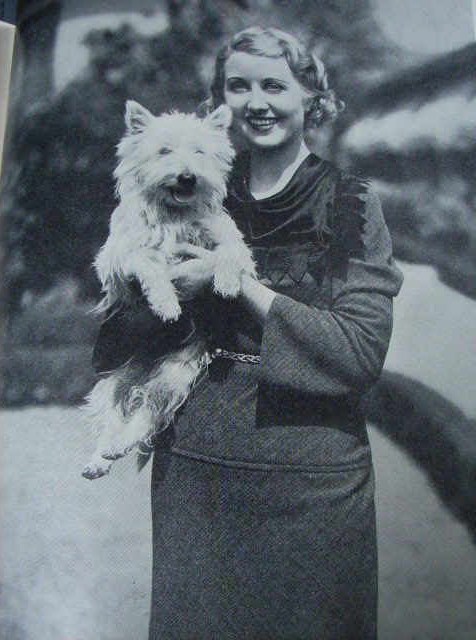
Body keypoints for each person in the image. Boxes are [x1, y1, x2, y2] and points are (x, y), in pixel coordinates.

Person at [93, 26, 403, 640]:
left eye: (274, 85)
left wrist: (239, 285)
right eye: (239, 86)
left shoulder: (350, 204)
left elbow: (360, 354)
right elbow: (115, 343)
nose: (256, 101)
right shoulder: (181, 187)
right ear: (220, 102)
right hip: (199, 477)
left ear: (311, 97)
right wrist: (135, 289)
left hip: (311, 484)